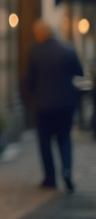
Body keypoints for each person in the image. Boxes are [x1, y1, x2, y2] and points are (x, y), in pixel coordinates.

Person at [25, 19, 84, 193]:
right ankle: (66, 171)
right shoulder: (68, 49)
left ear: (41, 34)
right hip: (66, 104)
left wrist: (31, 99)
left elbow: (30, 79)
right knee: (64, 140)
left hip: (43, 105)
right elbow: (79, 72)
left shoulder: (35, 51)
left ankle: (50, 178)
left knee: (45, 142)